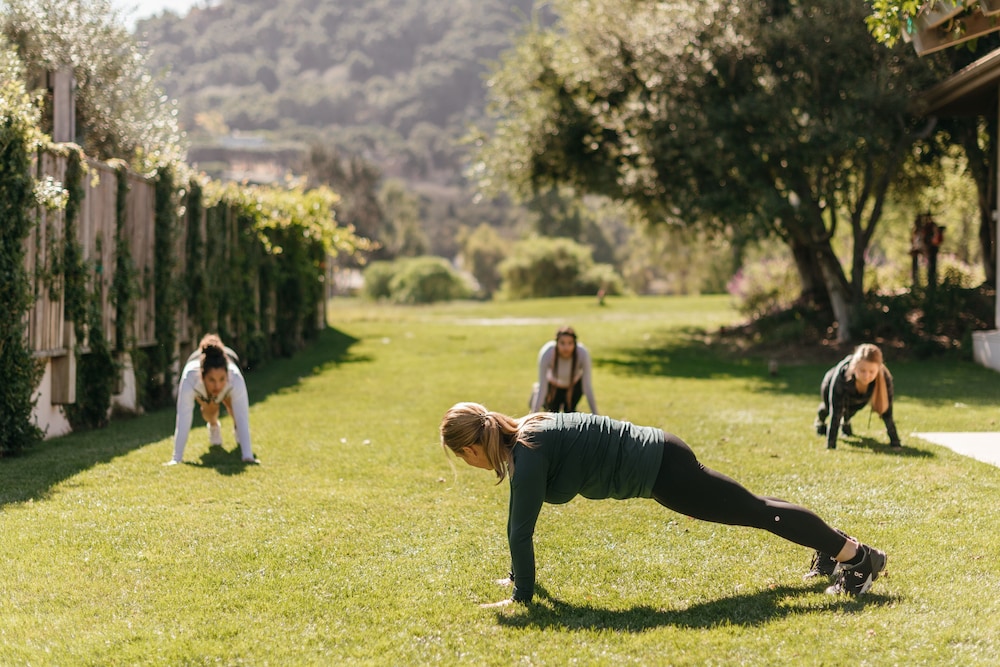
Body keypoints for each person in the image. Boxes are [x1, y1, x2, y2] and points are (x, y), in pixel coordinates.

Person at [440, 402, 887, 607]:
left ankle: (859, 559)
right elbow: (519, 523)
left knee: (755, 511)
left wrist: (521, 596)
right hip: (662, 461)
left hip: (662, 470)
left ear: (473, 449)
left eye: (463, 458)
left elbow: (520, 530)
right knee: (754, 506)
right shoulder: (527, 433)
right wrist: (519, 577)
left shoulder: (528, 454)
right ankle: (833, 551)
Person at [166, 333, 257, 465]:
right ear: (202, 376)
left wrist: (248, 455)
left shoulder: (235, 377)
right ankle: (214, 427)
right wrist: (176, 458)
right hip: (203, 391)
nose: (217, 385)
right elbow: (183, 417)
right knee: (209, 409)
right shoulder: (190, 378)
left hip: (228, 362)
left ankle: (238, 433)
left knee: (233, 409)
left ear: (227, 375)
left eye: (221, 379)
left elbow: (243, 415)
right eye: (211, 380)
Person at [815, 343, 901, 450]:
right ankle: (820, 421)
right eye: (862, 371)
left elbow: (887, 413)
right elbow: (835, 412)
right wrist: (831, 445)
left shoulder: (884, 377)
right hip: (829, 387)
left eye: (871, 372)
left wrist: (895, 442)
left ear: (878, 369)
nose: (866, 376)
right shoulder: (842, 376)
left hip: (857, 397)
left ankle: (846, 423)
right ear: (855, 366)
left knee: (851, 410)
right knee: (832, 410)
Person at [530, 326, 598, 414]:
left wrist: (595, 414)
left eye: (570, 343)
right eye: (562, 343)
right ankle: (535, 393)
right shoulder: (547, 353)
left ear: (575, 343)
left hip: (573, 387)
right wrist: (532, 415)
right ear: (556, 343)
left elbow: (587, 386)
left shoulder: (582, 353)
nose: (566, 347)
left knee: (569, 415)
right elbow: (543, 387)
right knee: (552, 415)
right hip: (553, 387)